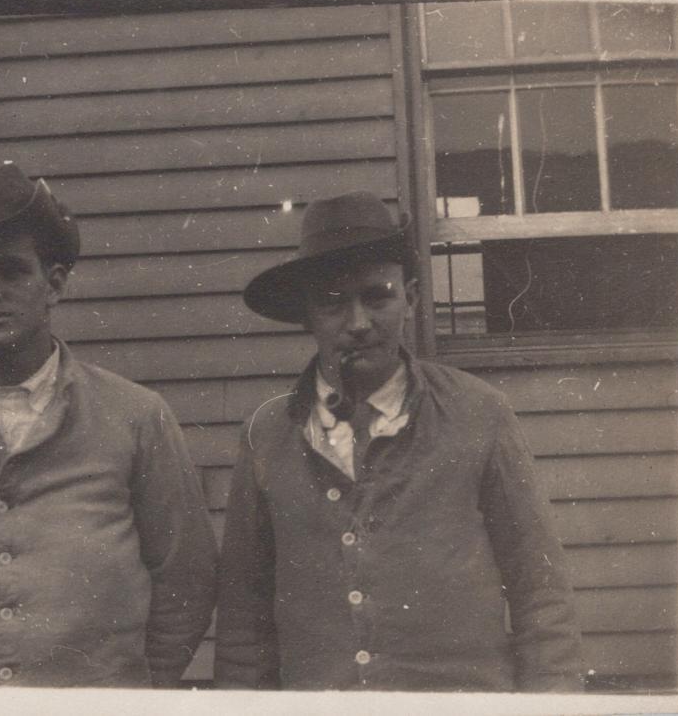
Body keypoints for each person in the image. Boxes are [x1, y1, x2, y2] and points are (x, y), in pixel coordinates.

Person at [0, 163, 217, 687]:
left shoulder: (137, 416)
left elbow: (186, 581)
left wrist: (134, 694)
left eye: (11, 271)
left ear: (54, 285)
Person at [214, 192, 582, 692]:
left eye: (377, 297)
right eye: (333, 302)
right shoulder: (268, 434)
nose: (358, 323)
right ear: (307, 316)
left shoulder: (479, 413)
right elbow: (244, 616)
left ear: (410, 298)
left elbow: (540, 589)